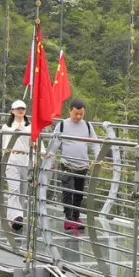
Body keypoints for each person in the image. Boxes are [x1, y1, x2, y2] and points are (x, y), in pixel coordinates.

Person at [56, 98, 96, 233]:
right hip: (67, 164)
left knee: (79, 193)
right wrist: (48, 158)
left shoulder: (88, 126)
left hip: (82, 166)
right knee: (68, 191)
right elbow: (54, 144)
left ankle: (76, 217)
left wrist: (98, 158)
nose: (78, 117)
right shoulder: (62, 125)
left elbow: (94, 144)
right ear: (70, 112)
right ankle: (68, 219)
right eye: (76, 114)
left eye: (81, 114)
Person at [1, 99, 30, 233]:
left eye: (23, 109)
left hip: (25, 160)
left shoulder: (29, 126)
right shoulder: (7, 127)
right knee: (14, 189)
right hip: (11, 159)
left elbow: (34, 143)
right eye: (18, 108)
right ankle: (17, 217)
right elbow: (4, 145)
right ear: (12, 111)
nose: (20, 111)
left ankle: (15, 218)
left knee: (23, 191)